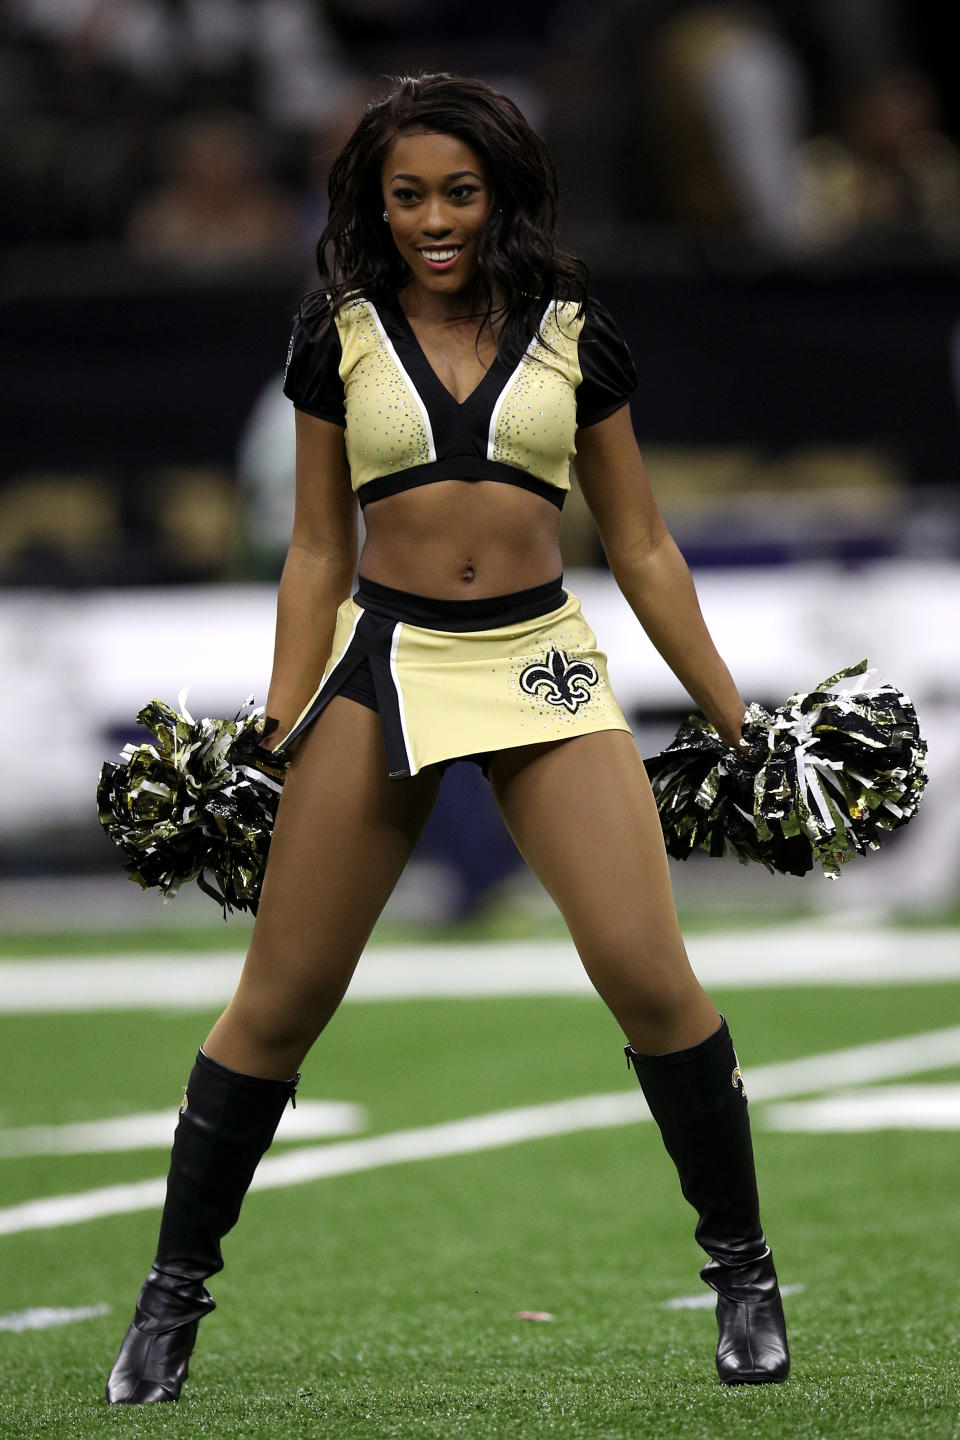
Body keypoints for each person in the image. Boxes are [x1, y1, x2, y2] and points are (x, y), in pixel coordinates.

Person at [105, 71, 790, 1405]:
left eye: (458, 193)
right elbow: (316, 546)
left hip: (538, 667)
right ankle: (168, 1303)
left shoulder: (572, 334)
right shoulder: (337, 336)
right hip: (386, 662)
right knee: (279, 1003)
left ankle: (747, 1277)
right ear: (375, 199)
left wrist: (730, 710)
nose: (434, 218)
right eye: (408, 193)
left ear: (502, 196)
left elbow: (640, 542)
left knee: (650, 977)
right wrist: (278, 712)